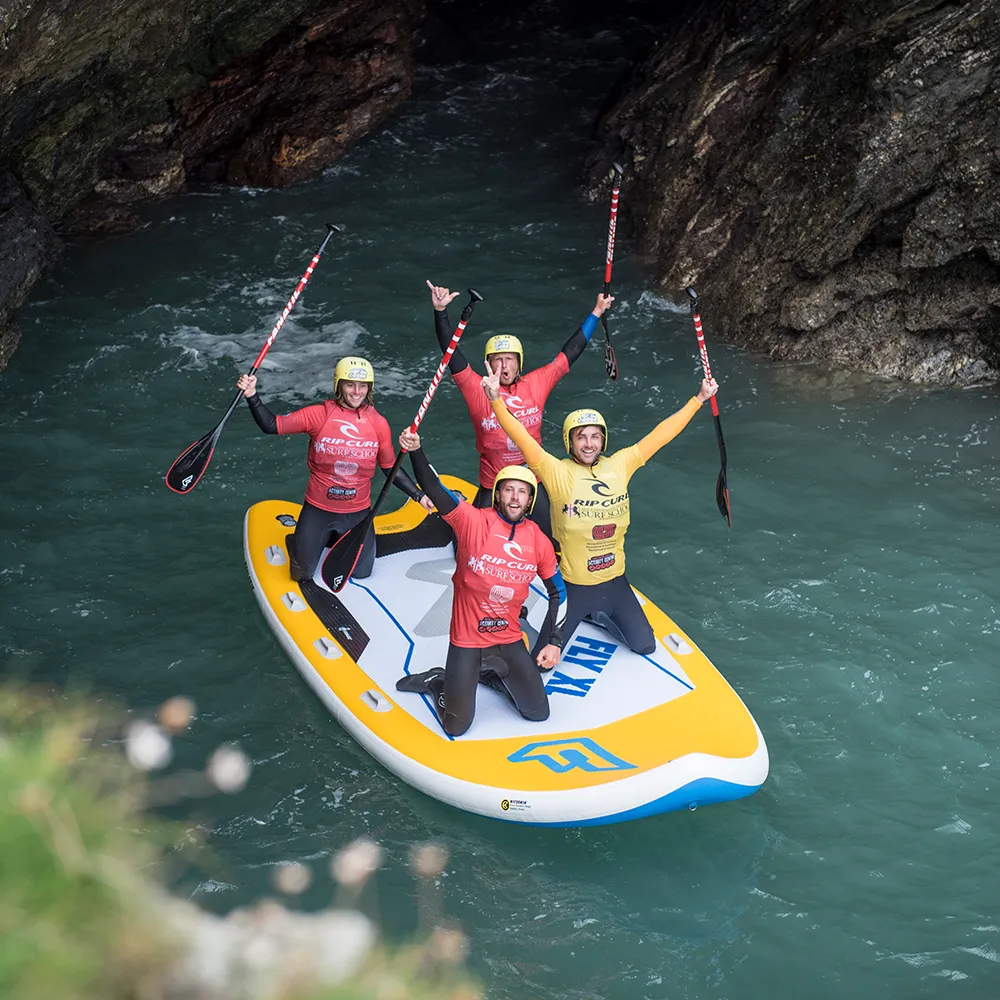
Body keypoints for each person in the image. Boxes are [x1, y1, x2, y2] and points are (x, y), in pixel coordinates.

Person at [482, 365, 718, 658]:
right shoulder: (557, 472)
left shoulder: (620, 464)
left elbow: (661, 435)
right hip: (573, 588)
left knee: (645, 645)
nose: (589, 444)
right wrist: (495, 400)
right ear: (570, 441)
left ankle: (598, 617)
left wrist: (698, 398)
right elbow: (521, 436)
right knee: (542, 662)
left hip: (615, 583)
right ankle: (547, 625)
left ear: (603, 440)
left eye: (595, 436)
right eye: (581, 437)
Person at [394, 426, 567, 737]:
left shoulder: (538, 541)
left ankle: (490, 676)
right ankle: (438, 681)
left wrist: (555, 642)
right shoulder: (473, 521)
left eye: (522, 491)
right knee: (456, 726)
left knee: (538, 714)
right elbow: (433, 487)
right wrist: (416, 450)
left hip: (509, 641)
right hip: (467, 643)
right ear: (497, 493)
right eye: (509, 490)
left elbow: (559, 593)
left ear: (530, 499)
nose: (515, 498)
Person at [427, 280, 611, 540]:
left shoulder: (536, 383)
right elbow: (451, 352)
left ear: (519, 363)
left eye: (510, 359)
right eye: (497, 360)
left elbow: (571, 351)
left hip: (532, 481)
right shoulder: (475, 387)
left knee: (556, 541)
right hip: (493, 486)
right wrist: (440, 311)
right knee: (469, 547)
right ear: (488, 364)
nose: (503, 366)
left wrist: (597, 312)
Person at [236, 357, 433, 582]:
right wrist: (251, 394)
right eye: (350, 384)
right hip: (318, 511)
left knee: (362, 573)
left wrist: (419, 496)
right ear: (338, 385)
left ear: (370, 388)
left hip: (358, 514)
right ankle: (301, 538)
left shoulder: (378, 424)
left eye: (363, 386)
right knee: (301, 574)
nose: (357, 392)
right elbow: (271, 425)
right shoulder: (319, 415)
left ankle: (329, 539)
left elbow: (390, 468)